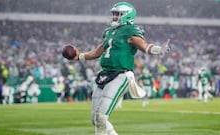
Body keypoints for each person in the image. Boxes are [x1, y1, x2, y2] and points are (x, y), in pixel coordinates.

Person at [70, 2, 170, 135]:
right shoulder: (109, 32)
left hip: (121, 75)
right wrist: (80, 56)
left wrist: (158, 49)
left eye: (118, 14)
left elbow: (143, 45)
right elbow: (98, 51)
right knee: (95, 119)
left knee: (101, 117)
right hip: (105, 74)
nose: (115, 16)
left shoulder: (130, 30)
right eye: (114, 14)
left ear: (127, 16)